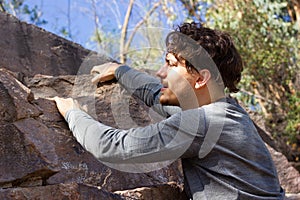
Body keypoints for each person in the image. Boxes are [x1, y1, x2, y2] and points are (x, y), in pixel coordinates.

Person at [53, 22, 284, 199]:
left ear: (201, 79)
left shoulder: (204, 124)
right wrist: (120, 71)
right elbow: (158, 96)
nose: (161, 72)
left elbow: (113, 147)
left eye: (171, 64)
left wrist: (72, 112)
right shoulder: (229, 113)